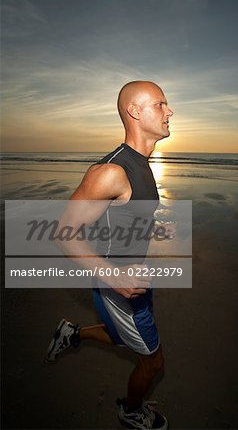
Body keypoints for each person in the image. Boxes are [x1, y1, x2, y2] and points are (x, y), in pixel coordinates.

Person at [45, 81, 174, 430]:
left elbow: (119, 215)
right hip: (117, 283)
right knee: (154, 362)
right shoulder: (112, 173)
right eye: (161, 104)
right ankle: (130, 411)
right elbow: (62, 233)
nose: (170, 111)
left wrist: (151, 228)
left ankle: (72, 333)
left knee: (119, 336)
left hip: (131, 276)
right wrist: (113, 276)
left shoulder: (142, 164)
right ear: (135, 111)